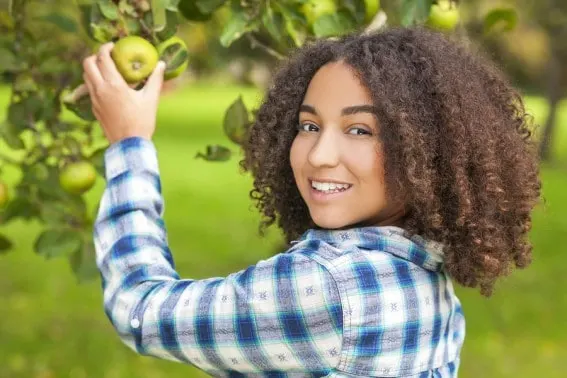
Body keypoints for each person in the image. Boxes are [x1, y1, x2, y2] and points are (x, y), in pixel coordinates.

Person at [83, 26, 542, 377]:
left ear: (427, 149)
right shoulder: (423, 270)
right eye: (308, 126)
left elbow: (140, 310)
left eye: (361, 130)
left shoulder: (327, 288)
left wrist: (129, 142)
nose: (319, 156)